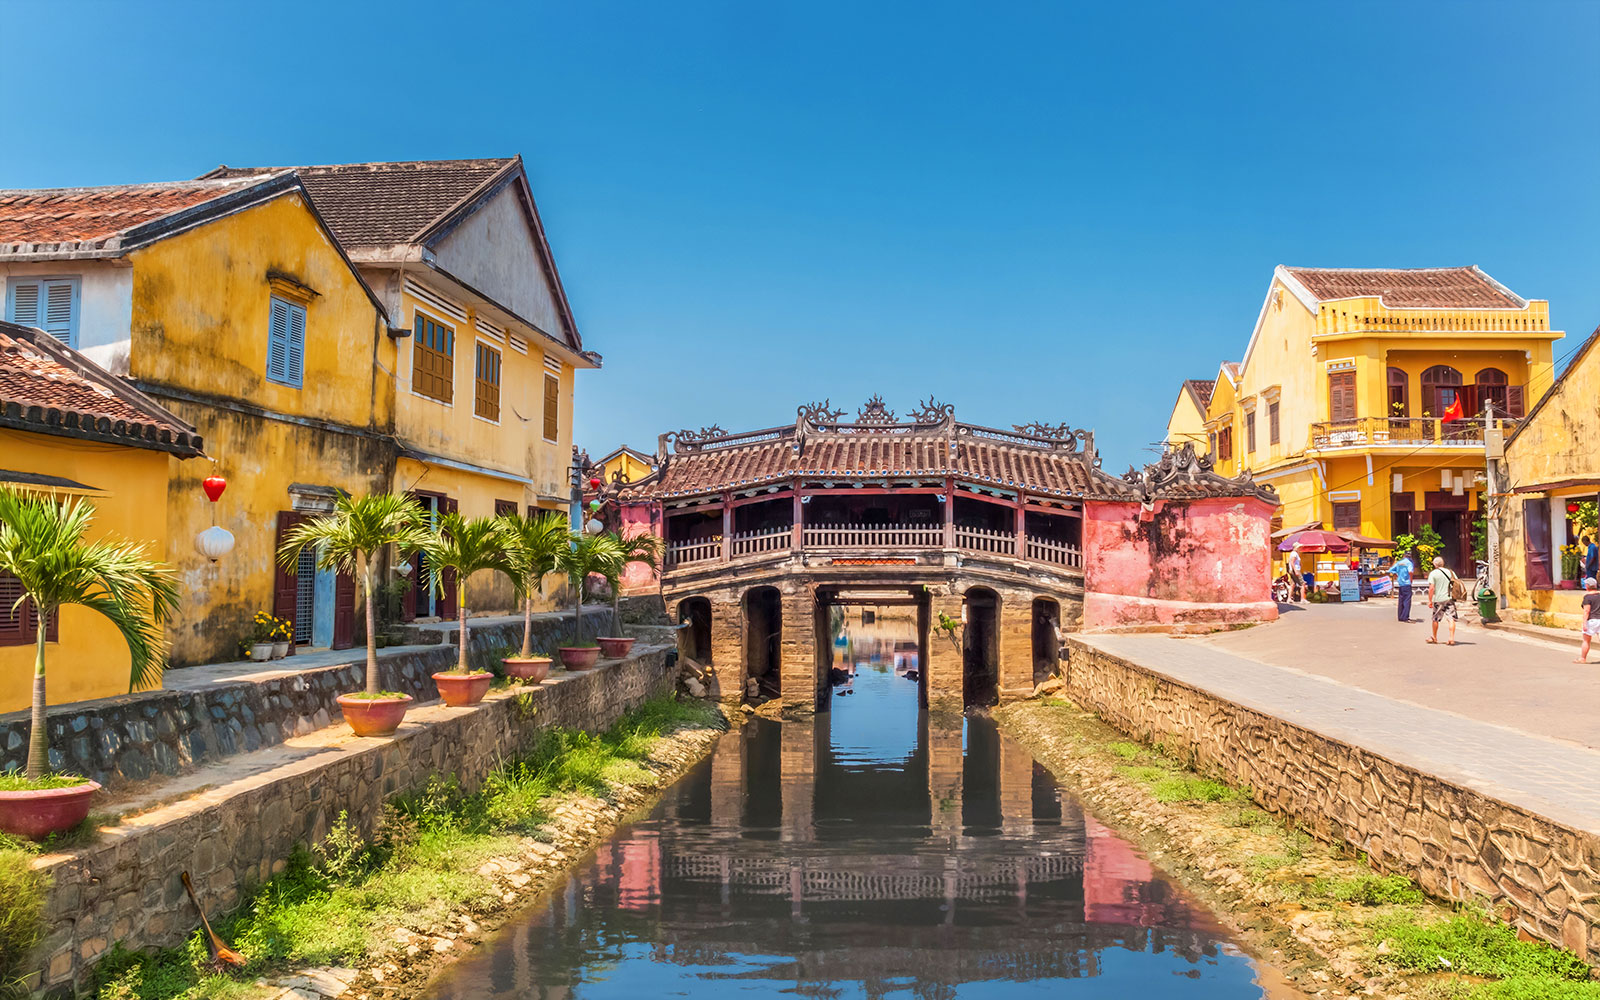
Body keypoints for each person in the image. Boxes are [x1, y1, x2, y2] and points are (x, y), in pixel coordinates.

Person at [1426, 556, 1458, 646]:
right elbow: (1456, 583)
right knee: (1451, 618)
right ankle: (1451, 638)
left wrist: (1430, 600)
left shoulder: (1433, 573)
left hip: (1439, 599)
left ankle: (1434, 637)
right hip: (1449, 598)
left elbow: (1431, 588)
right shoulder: (1450, 572)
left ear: (1435, 564)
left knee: (1435, 618)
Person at [1577, 577, 1600, 664]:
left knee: (1586, 640)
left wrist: (1584, 623)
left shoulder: (1587, 597)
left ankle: (1583, 658)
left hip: (1592, 621)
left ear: (1587, 586)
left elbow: (1587, 611)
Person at [1390, 552, 1416, 622]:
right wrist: (1411, 580)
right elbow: (1410, 572)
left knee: (1401, 600)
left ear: (1404, 555)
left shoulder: (1399, 562)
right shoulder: (1409, 562)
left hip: (1400, 583)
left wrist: (1396, 575)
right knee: (1407, 601)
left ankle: (1400, 616)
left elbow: (1391, 570)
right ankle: (1405, 617)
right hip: (1407, 583)